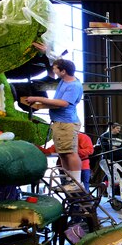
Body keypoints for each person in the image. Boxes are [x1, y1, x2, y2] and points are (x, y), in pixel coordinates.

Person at [24, 58, 82, 186]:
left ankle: (76, 182)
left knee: (70, 152)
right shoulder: (64, 80)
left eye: (55, 68)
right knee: (63, 153)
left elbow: (63, 103)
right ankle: (68, 179)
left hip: (66, 123)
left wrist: (40, 98)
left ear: (63, 71)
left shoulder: (73, 85)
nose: (53, 70)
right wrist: (46, 53)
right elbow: (53, 65)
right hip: (59, 122)